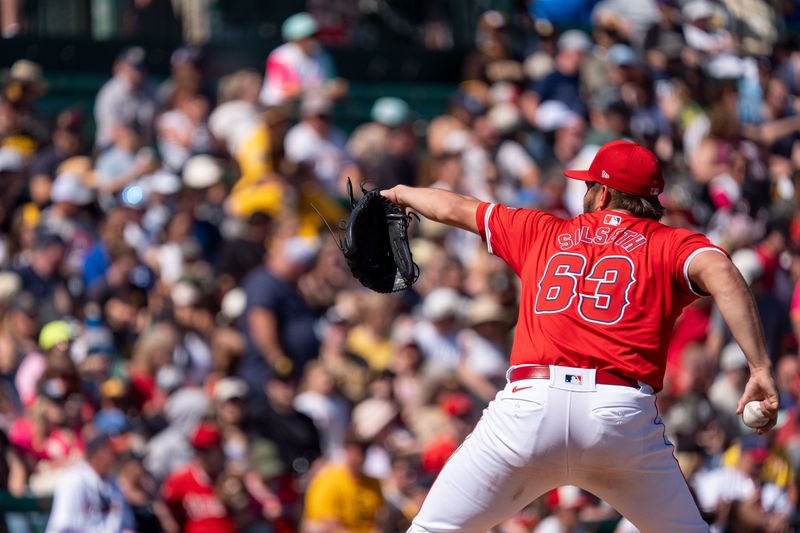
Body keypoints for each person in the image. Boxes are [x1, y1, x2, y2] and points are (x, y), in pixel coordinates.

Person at [379, 139, 779, 531]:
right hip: (618, 414)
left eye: (589, 185)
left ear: (603, 193)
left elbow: (456, 207)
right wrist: (759, 367)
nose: (585, 192)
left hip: (530, 409)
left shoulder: (541, 230)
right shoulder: (669, 243)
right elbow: (723, 271)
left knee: (434, 529)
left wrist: (399, 194)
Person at [46, 432, 136, 533]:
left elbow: (127, 525)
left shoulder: (115, 485)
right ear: (99, 454)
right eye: (113, 454)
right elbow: (63, 527)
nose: (118, 459)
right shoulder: (74, 480)